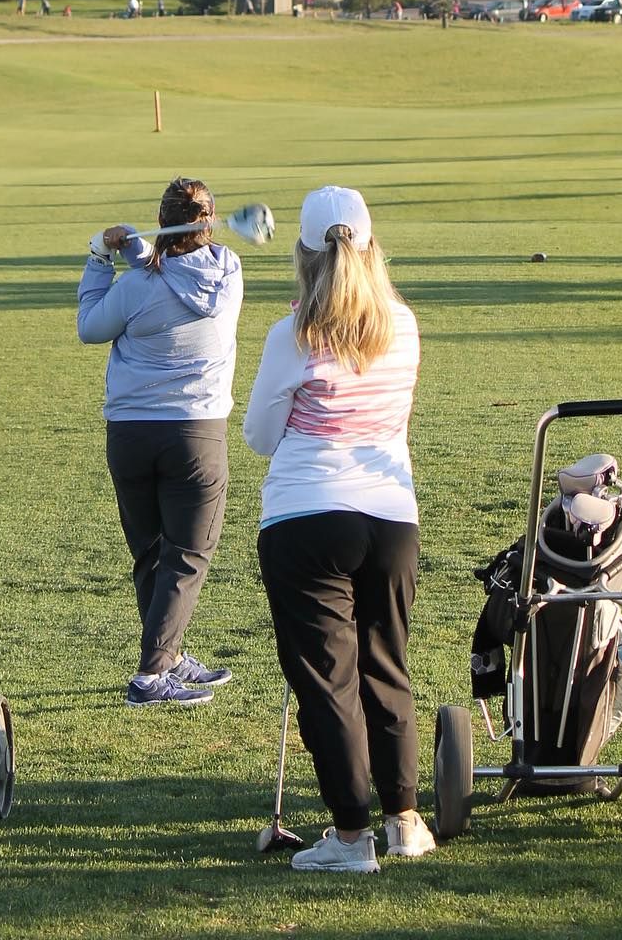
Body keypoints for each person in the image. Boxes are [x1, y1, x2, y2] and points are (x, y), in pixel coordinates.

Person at [243, 186, 434, 873]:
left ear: (303, 252)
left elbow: (261, 437)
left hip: (306, 516)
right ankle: (404, 820)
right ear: (372, 246)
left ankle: (351, 838)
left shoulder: (291, 333)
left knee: (329, 679)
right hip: (390, 519)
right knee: (386, 665)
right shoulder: (404, 325)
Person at [77, 178, 244, 707]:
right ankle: (153, 676)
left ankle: (166, 658)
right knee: (188, 555)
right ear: (208, 223)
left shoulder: (133, 288)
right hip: (196, 435)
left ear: (163, 221)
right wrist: (134, 253)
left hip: (129, 435)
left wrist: (101, 256)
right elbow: (179, 275)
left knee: (152, 553)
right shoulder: (229, 273)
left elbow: (90, 325)